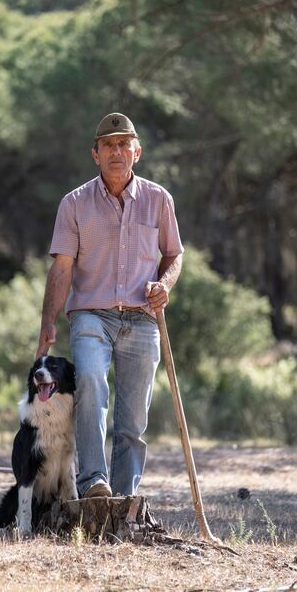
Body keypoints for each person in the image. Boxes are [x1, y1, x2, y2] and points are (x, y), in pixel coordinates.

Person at [36, 112, 184, 498]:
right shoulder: (74, 204)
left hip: (142, 318)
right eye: (108, 145)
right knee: (90, 384)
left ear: (138, 151)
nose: (116, 151)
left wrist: (164, 284)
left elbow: (174, 255)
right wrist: (47, 322)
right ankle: (93, 483)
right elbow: (62, 268)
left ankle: (124, 499)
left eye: (123, 144)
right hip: (91, 315)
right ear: (95, 154)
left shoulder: (159, 200)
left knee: (133, 418)